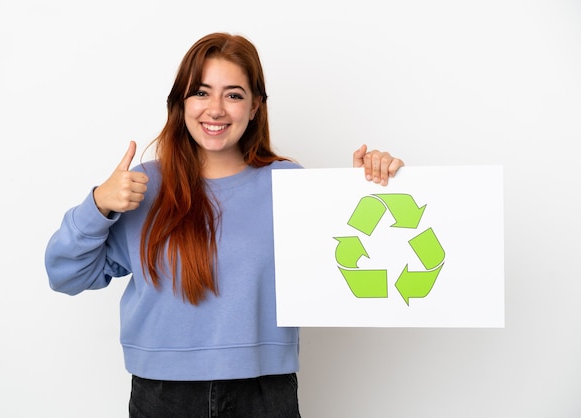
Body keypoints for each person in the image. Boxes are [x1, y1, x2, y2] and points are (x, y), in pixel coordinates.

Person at [45, 32, 404, 417]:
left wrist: (364, 191)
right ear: (180, 102)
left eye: (233, 95)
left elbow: (343, 267)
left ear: (254, 107)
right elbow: (66, 275)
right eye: (201, 92)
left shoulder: (289, 183)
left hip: (265, 392)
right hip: (162, 395)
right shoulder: (142, 186)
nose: (215, 109)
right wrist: (98, 204)